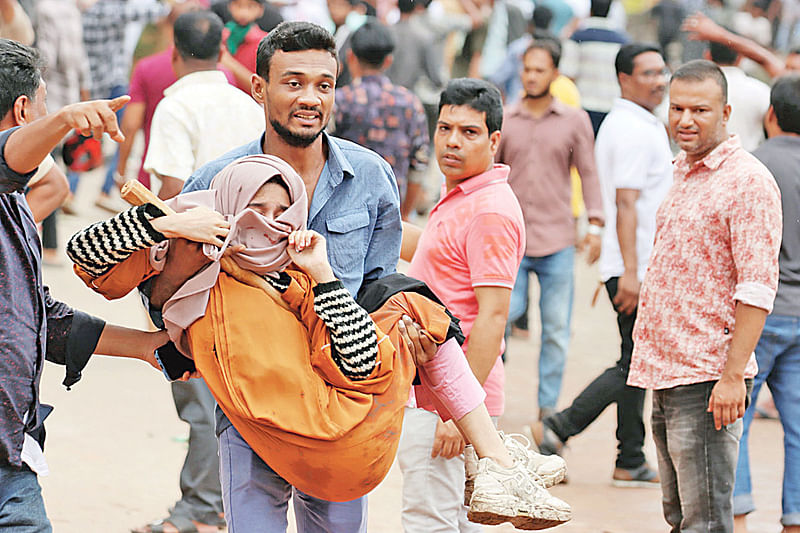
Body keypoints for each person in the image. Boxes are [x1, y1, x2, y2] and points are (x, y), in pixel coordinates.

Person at [68, 152, 571, 531]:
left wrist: (326, 276)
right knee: (411, 304)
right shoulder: (196, 268)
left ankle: (497, 461)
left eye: (283, 210)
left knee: (409, 303)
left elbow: (357, 364)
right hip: (287, 435)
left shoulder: (296, 279)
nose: (269, 222)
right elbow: (84, 252)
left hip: (339, 442)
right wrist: (171, 222)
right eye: (254, 208)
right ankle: (497, 459)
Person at [149, 20, 397, 531]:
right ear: (258, 87)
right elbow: (163, 295)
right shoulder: (216, 182)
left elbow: (380, 292)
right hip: (250, 415)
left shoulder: (370, 177)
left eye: (323, 85)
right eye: (293, 82)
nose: (311, 98)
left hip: (340, 414)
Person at [0, 37, 175, 533]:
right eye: (45, 105)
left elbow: (43, 319)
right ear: (23, 108)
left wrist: (148, 347)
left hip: (12, 456)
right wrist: (64, 120)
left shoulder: (15, 207)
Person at [397, 77, 570, 533]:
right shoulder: (460, 195)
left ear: (494, 139)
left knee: (429, 519)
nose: (452, 141)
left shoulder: (489, 209)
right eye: (444, 128)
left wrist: (459, 414)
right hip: (438, 395)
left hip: (449, 399)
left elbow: (495, 315)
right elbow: (435, 251)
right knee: (457, 517)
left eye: (468, 132)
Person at [628, 59, 782, 533]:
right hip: (667, 372)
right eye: (677, 108)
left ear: (727, 112)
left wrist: (733, 377)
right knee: (680, 518)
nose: (686, 120)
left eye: (700, 109)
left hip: (709, 379)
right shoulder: (685, 173)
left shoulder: (747, 182)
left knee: (707, 521)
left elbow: (756, 288)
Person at [134, 10, 265, 533]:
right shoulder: (246, 104)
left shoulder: (177, 104)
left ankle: (202, 507)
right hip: (251, 263)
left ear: (174, 52)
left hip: (192, 266)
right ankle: (232, 504)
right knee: (234, 388)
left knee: (195, 390)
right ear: (221, 50)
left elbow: (170, 194)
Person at [531, 43, 671, 487]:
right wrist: (631, 271)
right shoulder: (631, 129)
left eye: (661, 71)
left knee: (637, 361)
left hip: (635, 264)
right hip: (634, 268)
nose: (659, 80)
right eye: (648, 72)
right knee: (636, 363)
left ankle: (629, 457)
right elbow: (625, 204)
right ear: (624, 79)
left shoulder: (640, 123)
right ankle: (561, 425)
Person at [495, 39, 604, 421]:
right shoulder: (506, 118)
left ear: (555, 74)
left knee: (556, 331)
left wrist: (595, 224)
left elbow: (588, 173)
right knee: (502, 319)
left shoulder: (574, 120)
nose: (532, 76)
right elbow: (491, 175)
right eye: (527, 68)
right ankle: (489, 404)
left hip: (558, 240)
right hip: (513, 242)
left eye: (540, 69)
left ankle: (547, 411)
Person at [733, 74, 800, 533]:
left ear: (769, 116)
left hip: (761, 311)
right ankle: (794, 518)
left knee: (734, 419)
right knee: (798, 429)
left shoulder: (751, 166)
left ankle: (735, 512)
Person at [334, 19, 429, 219]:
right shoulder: (411, 103)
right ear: (388, 61)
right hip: (391, 208)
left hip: (345, 210)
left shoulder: (340, 101)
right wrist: (404, 215)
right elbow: (418, 165)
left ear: (351, 57)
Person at [81, 0, 170, 211]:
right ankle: (110, 187)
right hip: (113, 82)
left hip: (90, 81)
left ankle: (72, 190)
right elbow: (156, 11)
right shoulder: (113, 10)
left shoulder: (90, 9)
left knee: (85, 136)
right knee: (123, 136)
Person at [559, 0, 630, 134]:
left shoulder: (578, 37)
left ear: (590, 10)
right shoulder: (623, 40)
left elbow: (568, 73)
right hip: (611, 106)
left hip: (583, 105)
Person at [705, 39, 771, 151]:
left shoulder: (692, 89)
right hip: (751, 159)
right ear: (740, 58)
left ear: (707, 56)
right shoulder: (761, 90)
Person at [222, 0, 269, 92]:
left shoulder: (263, 41)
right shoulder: (222, 35)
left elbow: (262, 88)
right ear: (230, 7)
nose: (243, 12)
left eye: (250, 6)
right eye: (238, 5)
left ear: (260, 10)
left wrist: (228, 62)